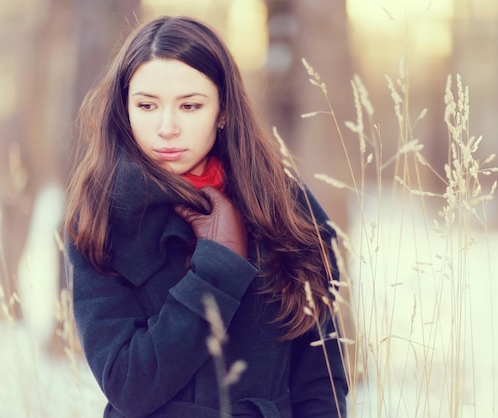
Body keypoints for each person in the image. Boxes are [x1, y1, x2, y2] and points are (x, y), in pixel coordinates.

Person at [62, 15, 348, 418]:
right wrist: (218, 266)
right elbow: (129, 386)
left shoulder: (288, 208)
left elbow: (321, 381)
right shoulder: (101, 218)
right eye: (146, 105)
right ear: (125, 110)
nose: (166, 127)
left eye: (190, 105)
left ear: (223, 110)